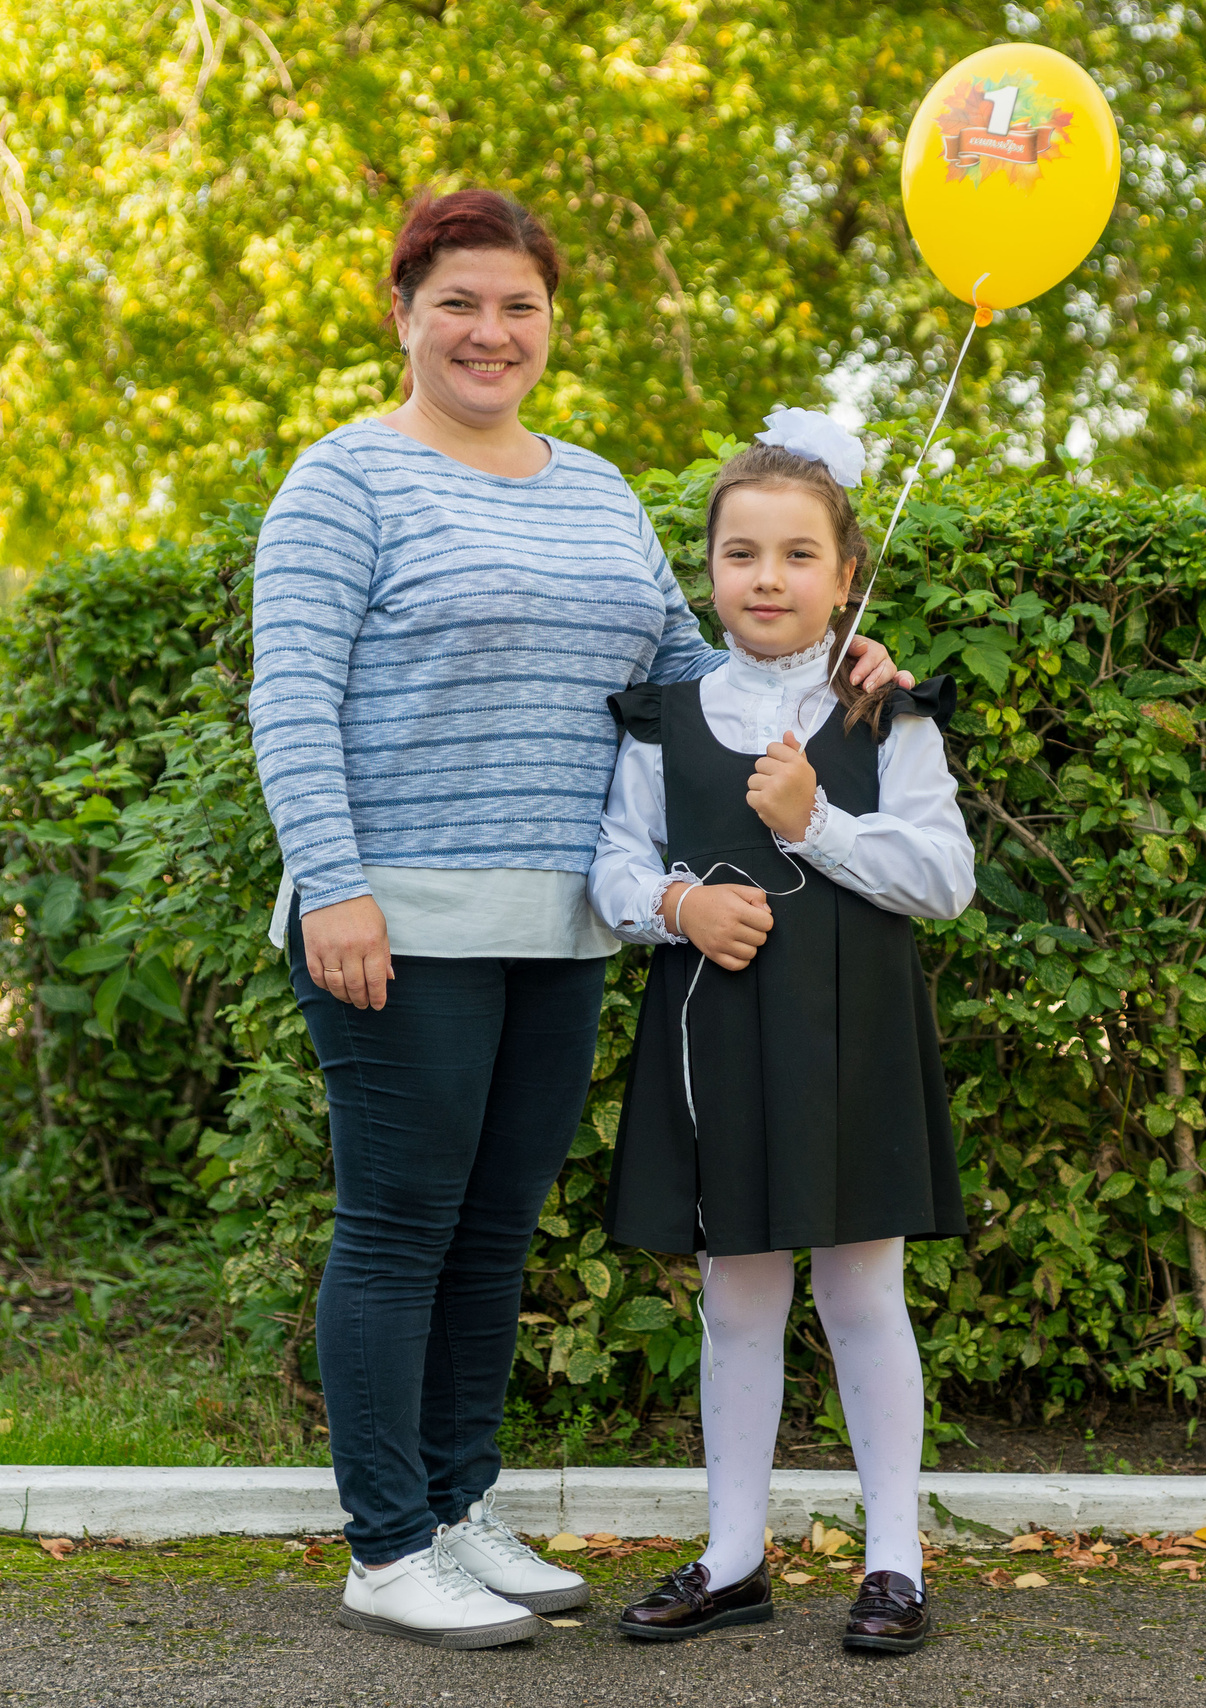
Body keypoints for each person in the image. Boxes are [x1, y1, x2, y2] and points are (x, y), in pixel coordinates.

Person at [247, 190, 909, 1651]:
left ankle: (457, 1502)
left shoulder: (598, 487)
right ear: (404, 314)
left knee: (492, 1235)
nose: (492, 332)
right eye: (460, 303)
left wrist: (832, 667)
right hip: (399, 917)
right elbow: (288, 699)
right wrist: (333, 884)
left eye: (520, 306)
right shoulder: (341, 482)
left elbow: (687, 674)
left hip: (562, 925)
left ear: (552, 322)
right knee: (400, 1225)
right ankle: (384, 1540)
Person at [586, 412, 975, 1656]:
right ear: (707, 568)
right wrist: (678, 905)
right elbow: (609, 867)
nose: (767, 577)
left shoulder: (884, 712)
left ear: (846, 575)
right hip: (720, 1042)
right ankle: (734, 1554)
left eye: (798, 555)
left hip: (851, 1040)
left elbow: (945, 879)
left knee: (864, 1291)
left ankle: (896, 1562)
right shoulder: (666, 714)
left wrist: (817, 828)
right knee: (736, 1297)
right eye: (741, 552)